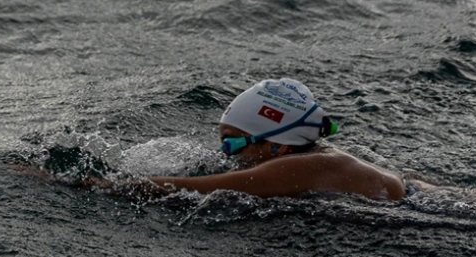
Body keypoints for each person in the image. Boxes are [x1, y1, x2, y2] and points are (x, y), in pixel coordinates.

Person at [79, 78, 421, 201]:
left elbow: (193, 188)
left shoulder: (307, 167)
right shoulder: (322, 159)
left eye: (232, 143)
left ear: (278, 144)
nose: (225, 154)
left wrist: (90, 184)